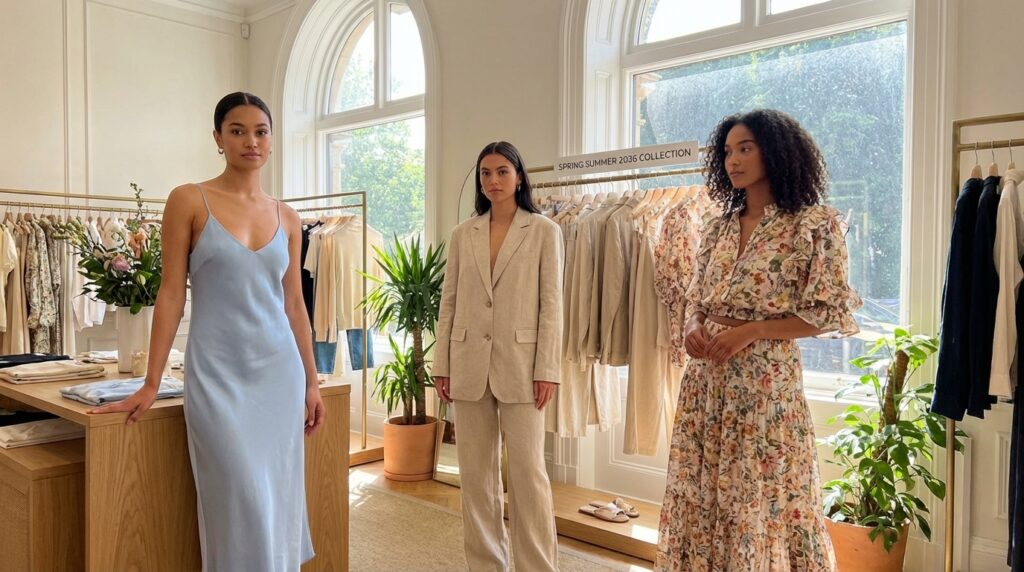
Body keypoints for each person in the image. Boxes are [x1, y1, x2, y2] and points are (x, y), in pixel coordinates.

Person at [90, 91, 326, 571]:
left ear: (272, 141)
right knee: (236, 501)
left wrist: (313, 380)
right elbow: (171, 295)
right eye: (237, 131)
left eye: (260, 131)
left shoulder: (288, 216)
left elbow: (295, 304)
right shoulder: (188, 199)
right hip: (217, 378)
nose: (250, 141)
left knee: (275, 501)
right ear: (218, 138)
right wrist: (151, 383)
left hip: (278, 377)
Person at [657, 109, 861, 571]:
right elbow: (696, 300)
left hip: (764, 386)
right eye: (727, 151)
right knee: (704, 492)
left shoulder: (813, 224)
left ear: (776, 151)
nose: (733, 159)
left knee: (759, 493)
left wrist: (754, 330)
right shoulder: (716, 226)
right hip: (706, 383)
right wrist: (692, 326)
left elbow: (827, 313)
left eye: (745, 148)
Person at [433, 141, 564, 571]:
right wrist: (442, 365)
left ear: (520, 176)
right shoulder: (462, 233)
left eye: (502, 172)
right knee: (476, 477)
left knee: (528, 477)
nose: (493, 180)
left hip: (524, 369)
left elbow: (552, 306)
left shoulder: (544, 230)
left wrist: (547, 368)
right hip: (468, 364)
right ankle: (487, 565)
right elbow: (448, 302)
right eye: (486, 173)